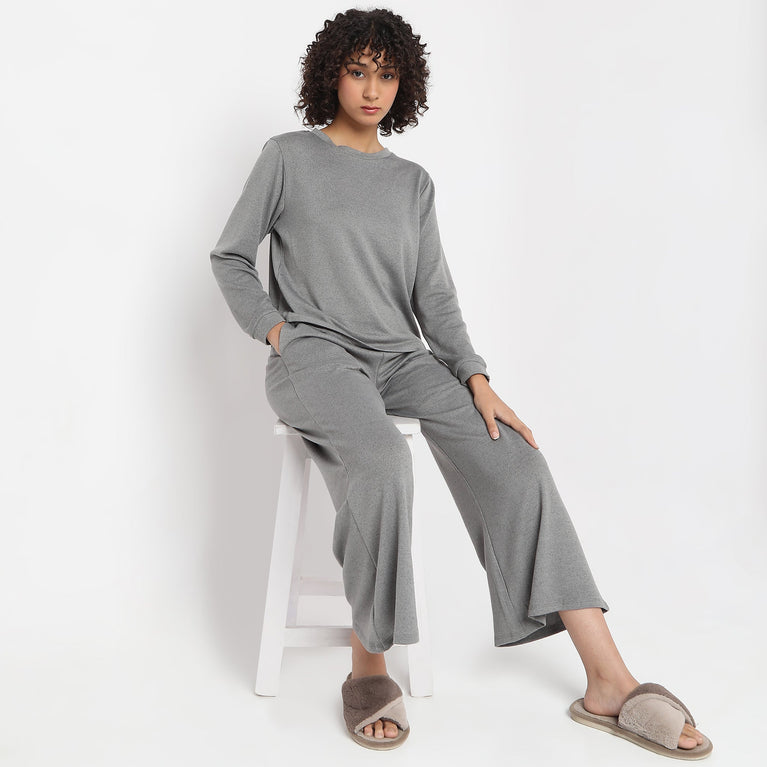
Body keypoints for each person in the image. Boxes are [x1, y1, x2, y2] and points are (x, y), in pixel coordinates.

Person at [209, 7, 712, 759]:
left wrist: (475, 377)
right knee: (382, 459)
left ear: (404, 83)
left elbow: (433, 299)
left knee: (517, 458)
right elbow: (230, 256)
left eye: (386, 74)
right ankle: (368, 665)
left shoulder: (411, 183)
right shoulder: (287, 157)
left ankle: (608, 678)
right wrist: (277, 331)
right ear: (331, 74)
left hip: (401, 357)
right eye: (357, 71)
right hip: (315, 357)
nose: (371, 88)